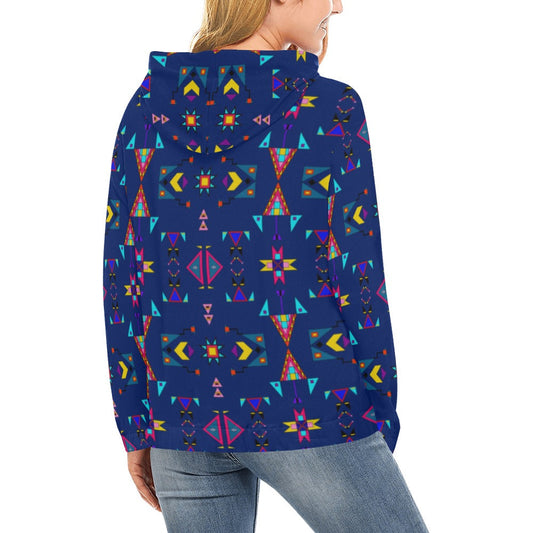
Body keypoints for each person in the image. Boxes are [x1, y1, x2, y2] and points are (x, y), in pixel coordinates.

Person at [102, 0, 430, 531]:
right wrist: (378, 413)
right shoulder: (330, 108)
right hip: (311, 405)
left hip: (180, 412)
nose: (338, 5)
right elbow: (358, 276)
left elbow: (123, 276)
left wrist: (136, 421)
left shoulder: (146, 107)